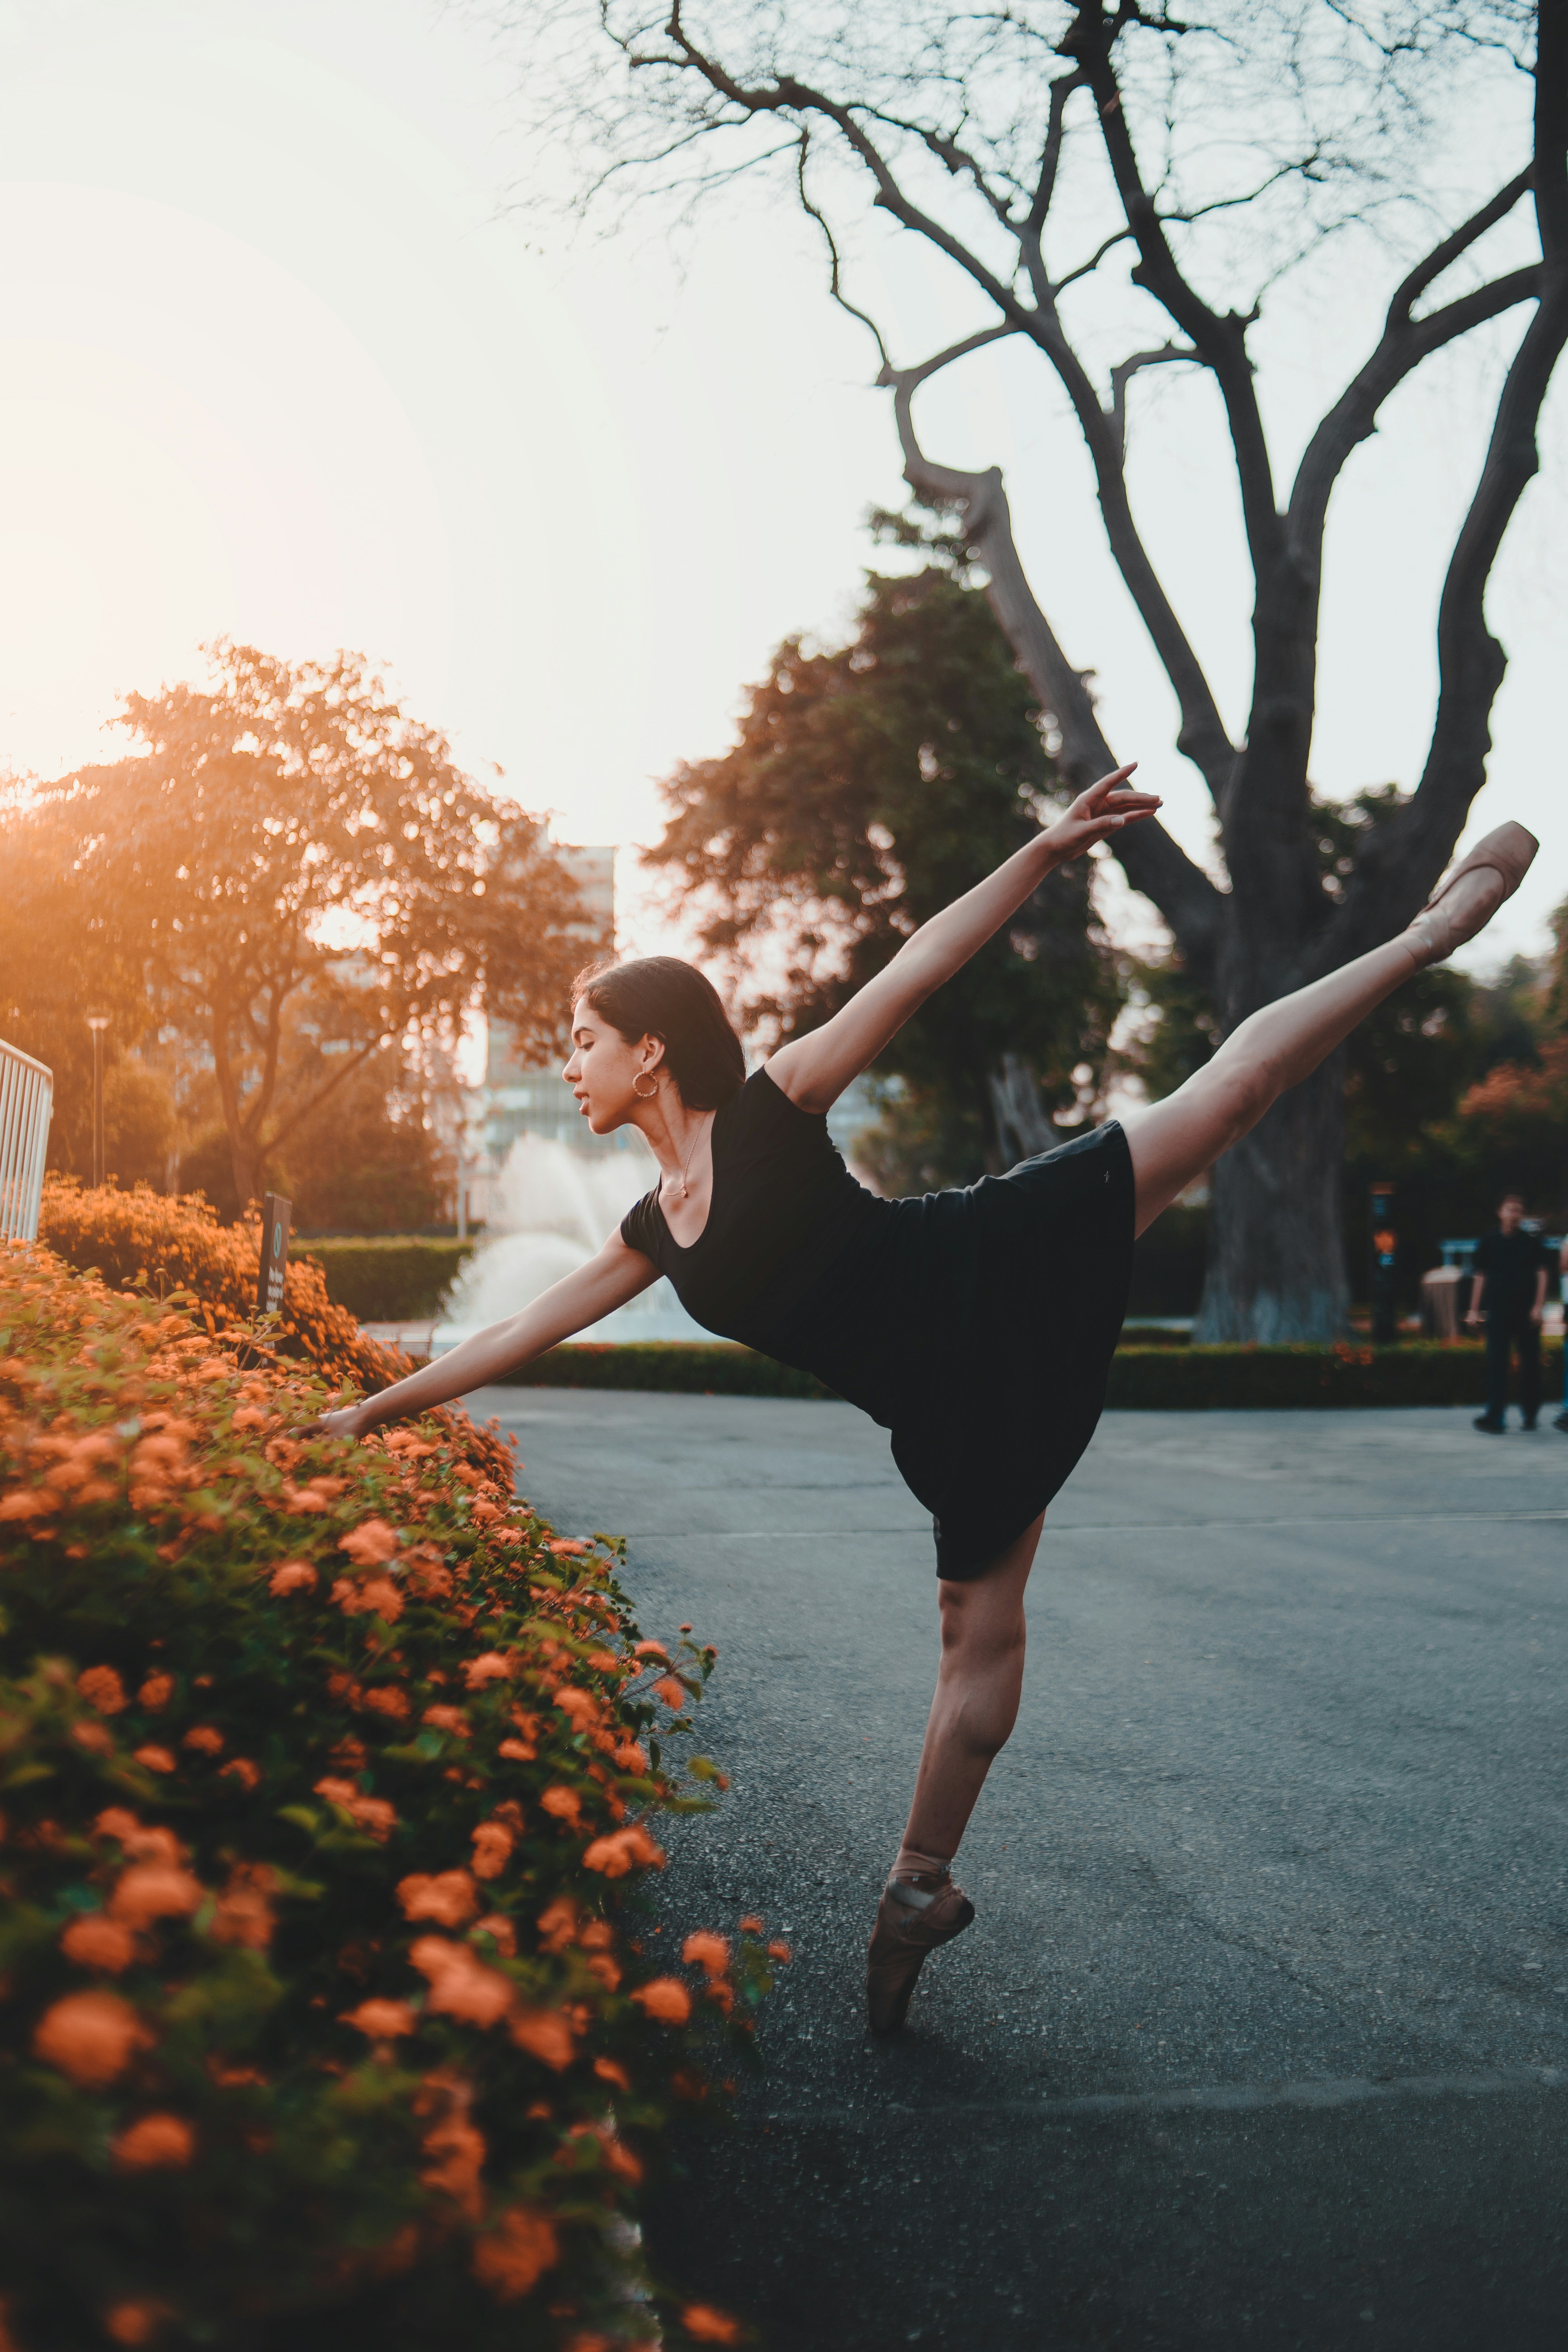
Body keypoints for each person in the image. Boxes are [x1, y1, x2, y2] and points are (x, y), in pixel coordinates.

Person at [307, 777, 1537, 2034]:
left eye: (579, 1038)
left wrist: (1044, 850)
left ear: (650, 1046)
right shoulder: (646, 1236)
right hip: (940, 1404)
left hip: (989, 1257)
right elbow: (515, 1327)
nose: (566, 1063)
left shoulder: (773, 1106)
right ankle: (915, 1888)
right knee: (975, 1634)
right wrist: (372, 1413)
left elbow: (916, 968)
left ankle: (1424, 937)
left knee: (1227, 1097)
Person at [1467, 1191, 1550, 1432]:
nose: (1514, 1214)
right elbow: (1480, 1275)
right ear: (1500, 1212)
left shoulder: (1531, 1242)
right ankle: (1495, 1416)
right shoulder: (1490, 1241)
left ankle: (1530, 1414)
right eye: (1510, 1209)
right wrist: (1474, 1310)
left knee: (1531, 1364)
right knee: (1496, 1364)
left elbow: (1542, 1273)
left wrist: (1538, 1307)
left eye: (1518, 1210)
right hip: (1498, 1311)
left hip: (1526, 1313)